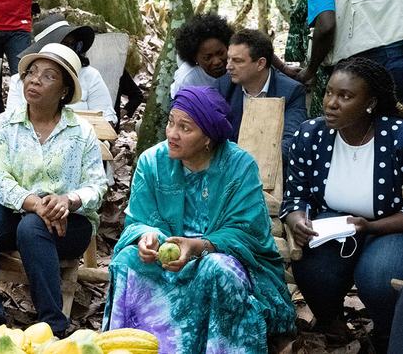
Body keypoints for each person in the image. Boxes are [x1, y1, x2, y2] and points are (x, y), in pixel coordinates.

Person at [104, 86, 295, 353]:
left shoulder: (239, 166)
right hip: (165, 259)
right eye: (171, 122)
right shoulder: (152, 162)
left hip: (217, 256)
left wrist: (198, 246)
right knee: (127, 260)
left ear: (208, 138)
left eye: (185, 128)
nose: (172, 134)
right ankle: (134, 347)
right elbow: (138, 220)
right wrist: (147, 236)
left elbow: (247, 233)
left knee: (217, 269)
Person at [0, 43, 106, 337]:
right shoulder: (5, 124)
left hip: (70, 224)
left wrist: (69, 200)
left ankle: (51, 325)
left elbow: (98, 185)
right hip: (17, 210)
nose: (35, 80)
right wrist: (33, 202)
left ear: (64, 91)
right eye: (32, 73)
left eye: (48, 76)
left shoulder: (81, 132)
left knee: (32, 227)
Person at [282, 57, 403, 353]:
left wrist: (371, 226)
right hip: (333, 222)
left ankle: (387, 333)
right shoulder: (311, 134)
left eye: (345, 96)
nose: (331, 103)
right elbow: (295, 196)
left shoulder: (398, 136)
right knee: (313, 268)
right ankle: (331, 323)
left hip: (388, 224)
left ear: (370, 102)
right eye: (329, 93)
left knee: (380, 277)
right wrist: (297, 220)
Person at [6, 15, 116, 125]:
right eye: (64, 45)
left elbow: (106, 118)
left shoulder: (90, 75)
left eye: (73, 45)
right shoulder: (20, 79)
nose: (68, 50)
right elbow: (11, 120)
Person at [213, 28, 306, 146]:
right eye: (228, 59)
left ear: (260, 63)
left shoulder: (291, 91)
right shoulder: (222, 86)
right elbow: (212, 133)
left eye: (237, 61)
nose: (228, 66)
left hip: (273, 161)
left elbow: (291, 141)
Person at [169, 13, 231, 97]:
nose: (217, 62)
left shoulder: (237, 66)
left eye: (221, 53)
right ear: (195, 58)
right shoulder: (187, 80)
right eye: (207, 58)